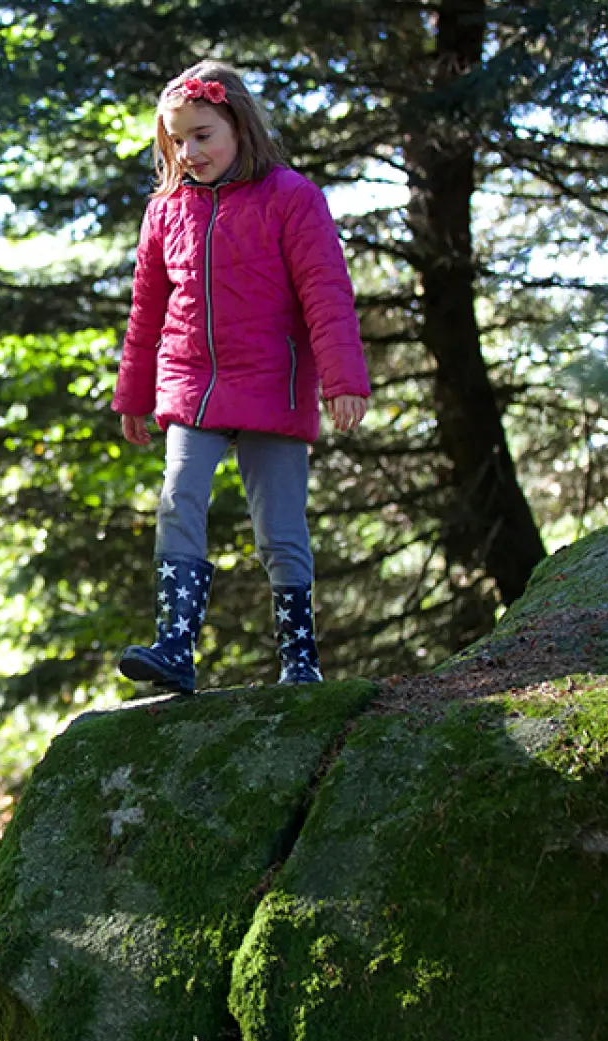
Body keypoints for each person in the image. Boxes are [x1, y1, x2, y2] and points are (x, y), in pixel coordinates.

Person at [112, 62, 371, 694]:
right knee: (178, 498)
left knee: (279, 527)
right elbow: (148, 309)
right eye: (176, 139)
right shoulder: (166, 211)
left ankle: (299, 658)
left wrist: (342, 378)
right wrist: (135, 392)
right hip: (190, 384)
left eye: (203, 134)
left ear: (239, 126)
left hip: (271, 384)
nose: (189, 151)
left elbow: (325, 292)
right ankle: (175, 645)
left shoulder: (291, 198)